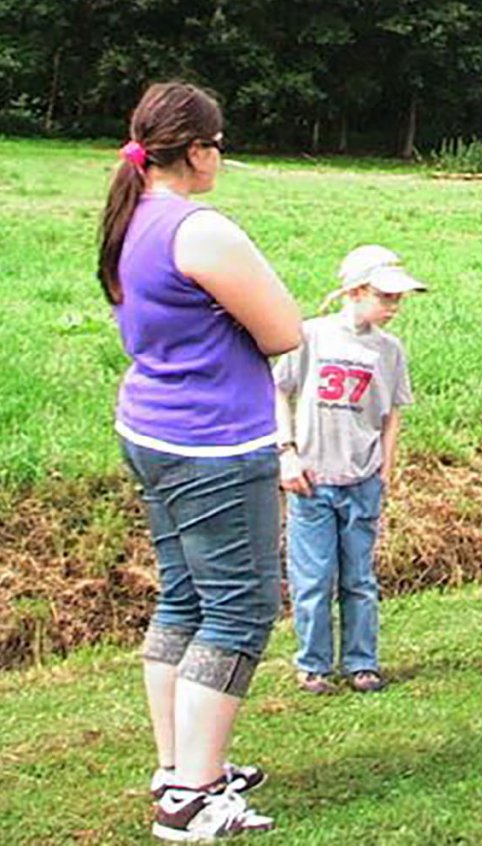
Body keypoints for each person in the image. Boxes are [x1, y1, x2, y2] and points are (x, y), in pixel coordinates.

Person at [99, 81, 302, 840]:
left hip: (151, 429)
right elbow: (284, 331)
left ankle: (178, 764)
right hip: (213, 443)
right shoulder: (201, 230)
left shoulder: (129, 216)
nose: (221, 158)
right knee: (239, 610)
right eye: (218, 145)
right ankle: (192, 794)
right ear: (196, 150)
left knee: (183, 598)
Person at [276, 245, 423, 696]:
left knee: (359, 578)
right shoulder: (310, 336)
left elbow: (392, 414)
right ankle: (313, 665)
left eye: (398, 298)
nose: (394, 306)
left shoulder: (389, 350)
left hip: (362, 479)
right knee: (313, 578)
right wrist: (286, 452)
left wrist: (385, 468)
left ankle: (362, 662)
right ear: (356, 292)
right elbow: (278, 389)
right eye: (385, 297)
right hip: (312, 480)